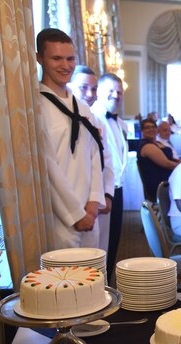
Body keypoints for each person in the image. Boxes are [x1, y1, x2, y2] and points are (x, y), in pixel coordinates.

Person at [36, 28, 104, 250]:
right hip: (61, 219)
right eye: (56, 58)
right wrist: (76, 214)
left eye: (70, 58)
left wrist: (93, 203)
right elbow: (48, 168)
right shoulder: (37, 108)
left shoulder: (83, 108)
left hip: (90, 213)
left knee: (94, 278)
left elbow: (96, 154)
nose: (65, 65)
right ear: (40, 58)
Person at [69, 65, 114, 253]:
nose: (90, 93)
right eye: (83, 87)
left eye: (94, 89)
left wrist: (105, 194)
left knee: (99, 253)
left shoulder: (94, 119)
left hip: (95, 201)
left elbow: (104, 159)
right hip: (72, 205)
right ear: (71, 86)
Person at [92, 73, 127, 280]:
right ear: (99, 92)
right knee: (101, 243)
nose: (116, 95)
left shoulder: (120, 123)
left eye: (119, 91)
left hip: (118, 188)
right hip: (102, 190)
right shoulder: (92, 117)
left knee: (114, 241)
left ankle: (108, 283)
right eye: (111, 91)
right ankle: (99, 286)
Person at [137, 119, 180, 203]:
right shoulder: (147, 146)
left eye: (153, 127)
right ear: (142, 131)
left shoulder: (157, 143)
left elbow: (171, 159)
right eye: (147, 127)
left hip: (168, 181)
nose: (151, 129)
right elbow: (167, 164)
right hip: (160, 185)